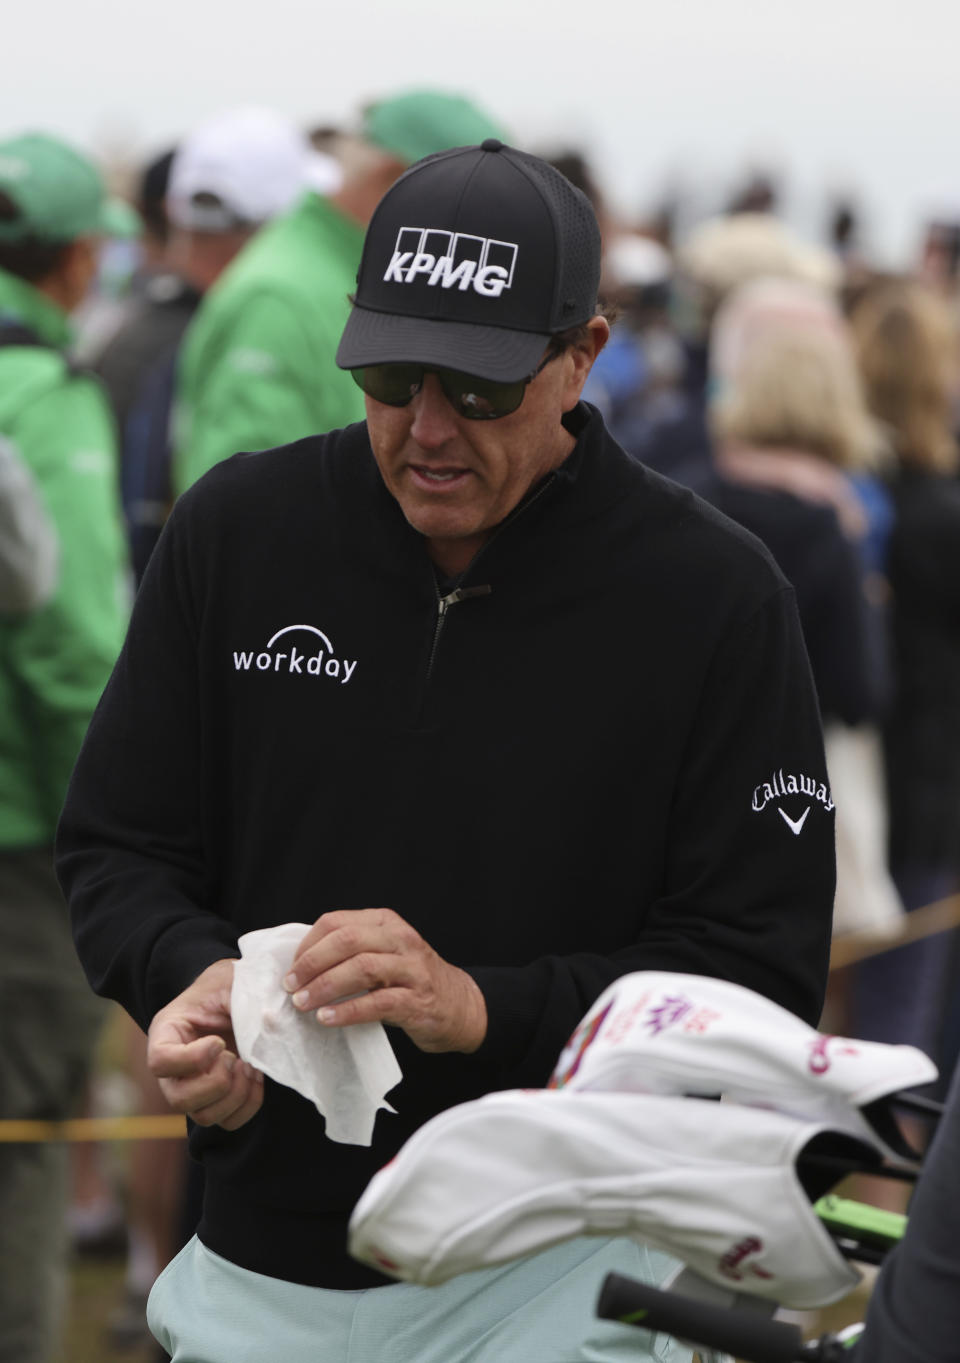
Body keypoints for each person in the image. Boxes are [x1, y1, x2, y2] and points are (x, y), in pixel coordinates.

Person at [58, 141, 835, 1363]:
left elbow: (756, 972)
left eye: (478, 389)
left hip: (576, 1258)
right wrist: (187, 980)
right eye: (390, 374)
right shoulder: (239, 532)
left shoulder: (714, 594)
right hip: (265, 1257)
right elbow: (119, 846)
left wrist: (484, 1010)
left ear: (583, 354)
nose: (425, 427)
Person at [0, 131, 132, 1363]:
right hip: (18, 835)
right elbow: (71, 645)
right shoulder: (42, 393)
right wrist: (125, 829)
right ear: (81, 257)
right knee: (25, 1140)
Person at [172, 89, 504, 495]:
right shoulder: (283, 297)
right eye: (469, 206)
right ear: (392, 177)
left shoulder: (358, 275)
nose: (478, 234)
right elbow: (241, 508)